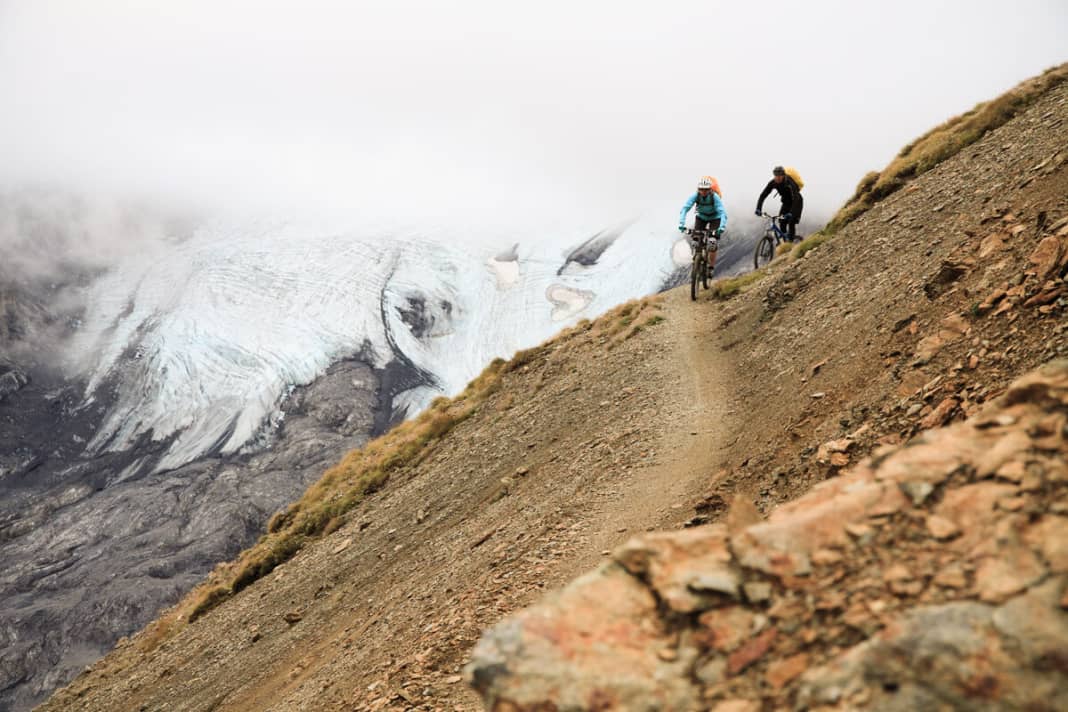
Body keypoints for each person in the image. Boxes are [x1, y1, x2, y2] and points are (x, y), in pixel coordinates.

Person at [678, 176, 728, 274]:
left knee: (712, 243)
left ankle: (711, 268)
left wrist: (721, 227)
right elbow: (685, 209)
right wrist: (681, 223)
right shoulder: (695, 196)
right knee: (696, 240)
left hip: (715, 218)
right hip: (701, 217)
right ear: (698, 189)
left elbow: (722, 213)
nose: (703, 192)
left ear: (710, 190)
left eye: (706, 190)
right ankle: (697, 258)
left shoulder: (714, 197)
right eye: (701, 189)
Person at [755, 166, 803, 241]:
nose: (777, 178)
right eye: (776, 176)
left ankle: (790, 244)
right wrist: (758, 208)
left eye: (779, 176)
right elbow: (763, 195)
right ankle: (785, 242)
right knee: (782, 222)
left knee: (791, 222)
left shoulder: (789, 182)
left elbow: (796, 198)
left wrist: (791, 213)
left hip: (797, 203)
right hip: (786, 203)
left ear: (783, 175)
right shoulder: (772, 183)